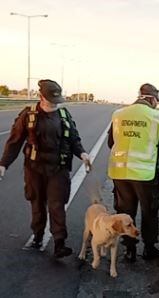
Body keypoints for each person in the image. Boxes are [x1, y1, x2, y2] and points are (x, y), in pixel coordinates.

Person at [0, 79, 91, 258]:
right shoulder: (28, 115)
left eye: (57, 101)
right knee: (37, 203)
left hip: (59, 168)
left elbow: (74, 139)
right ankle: (38, 236)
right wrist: (4, 164)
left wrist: (83, 154)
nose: (54, 105)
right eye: (51, 101)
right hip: (35, 169)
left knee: (57, 205)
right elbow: (14, 141)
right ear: (41, 97)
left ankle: (59, 243)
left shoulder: (64, 115)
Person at [107, 83, 159, 262]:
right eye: (156, 101)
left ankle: (129, 250)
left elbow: (111, 143)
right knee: (149, 212)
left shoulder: (119, 114)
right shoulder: (157, 117)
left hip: (120, 173)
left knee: (126, 212)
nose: (157, 105)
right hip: (145, 175)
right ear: (151, 99)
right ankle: (149, 249)